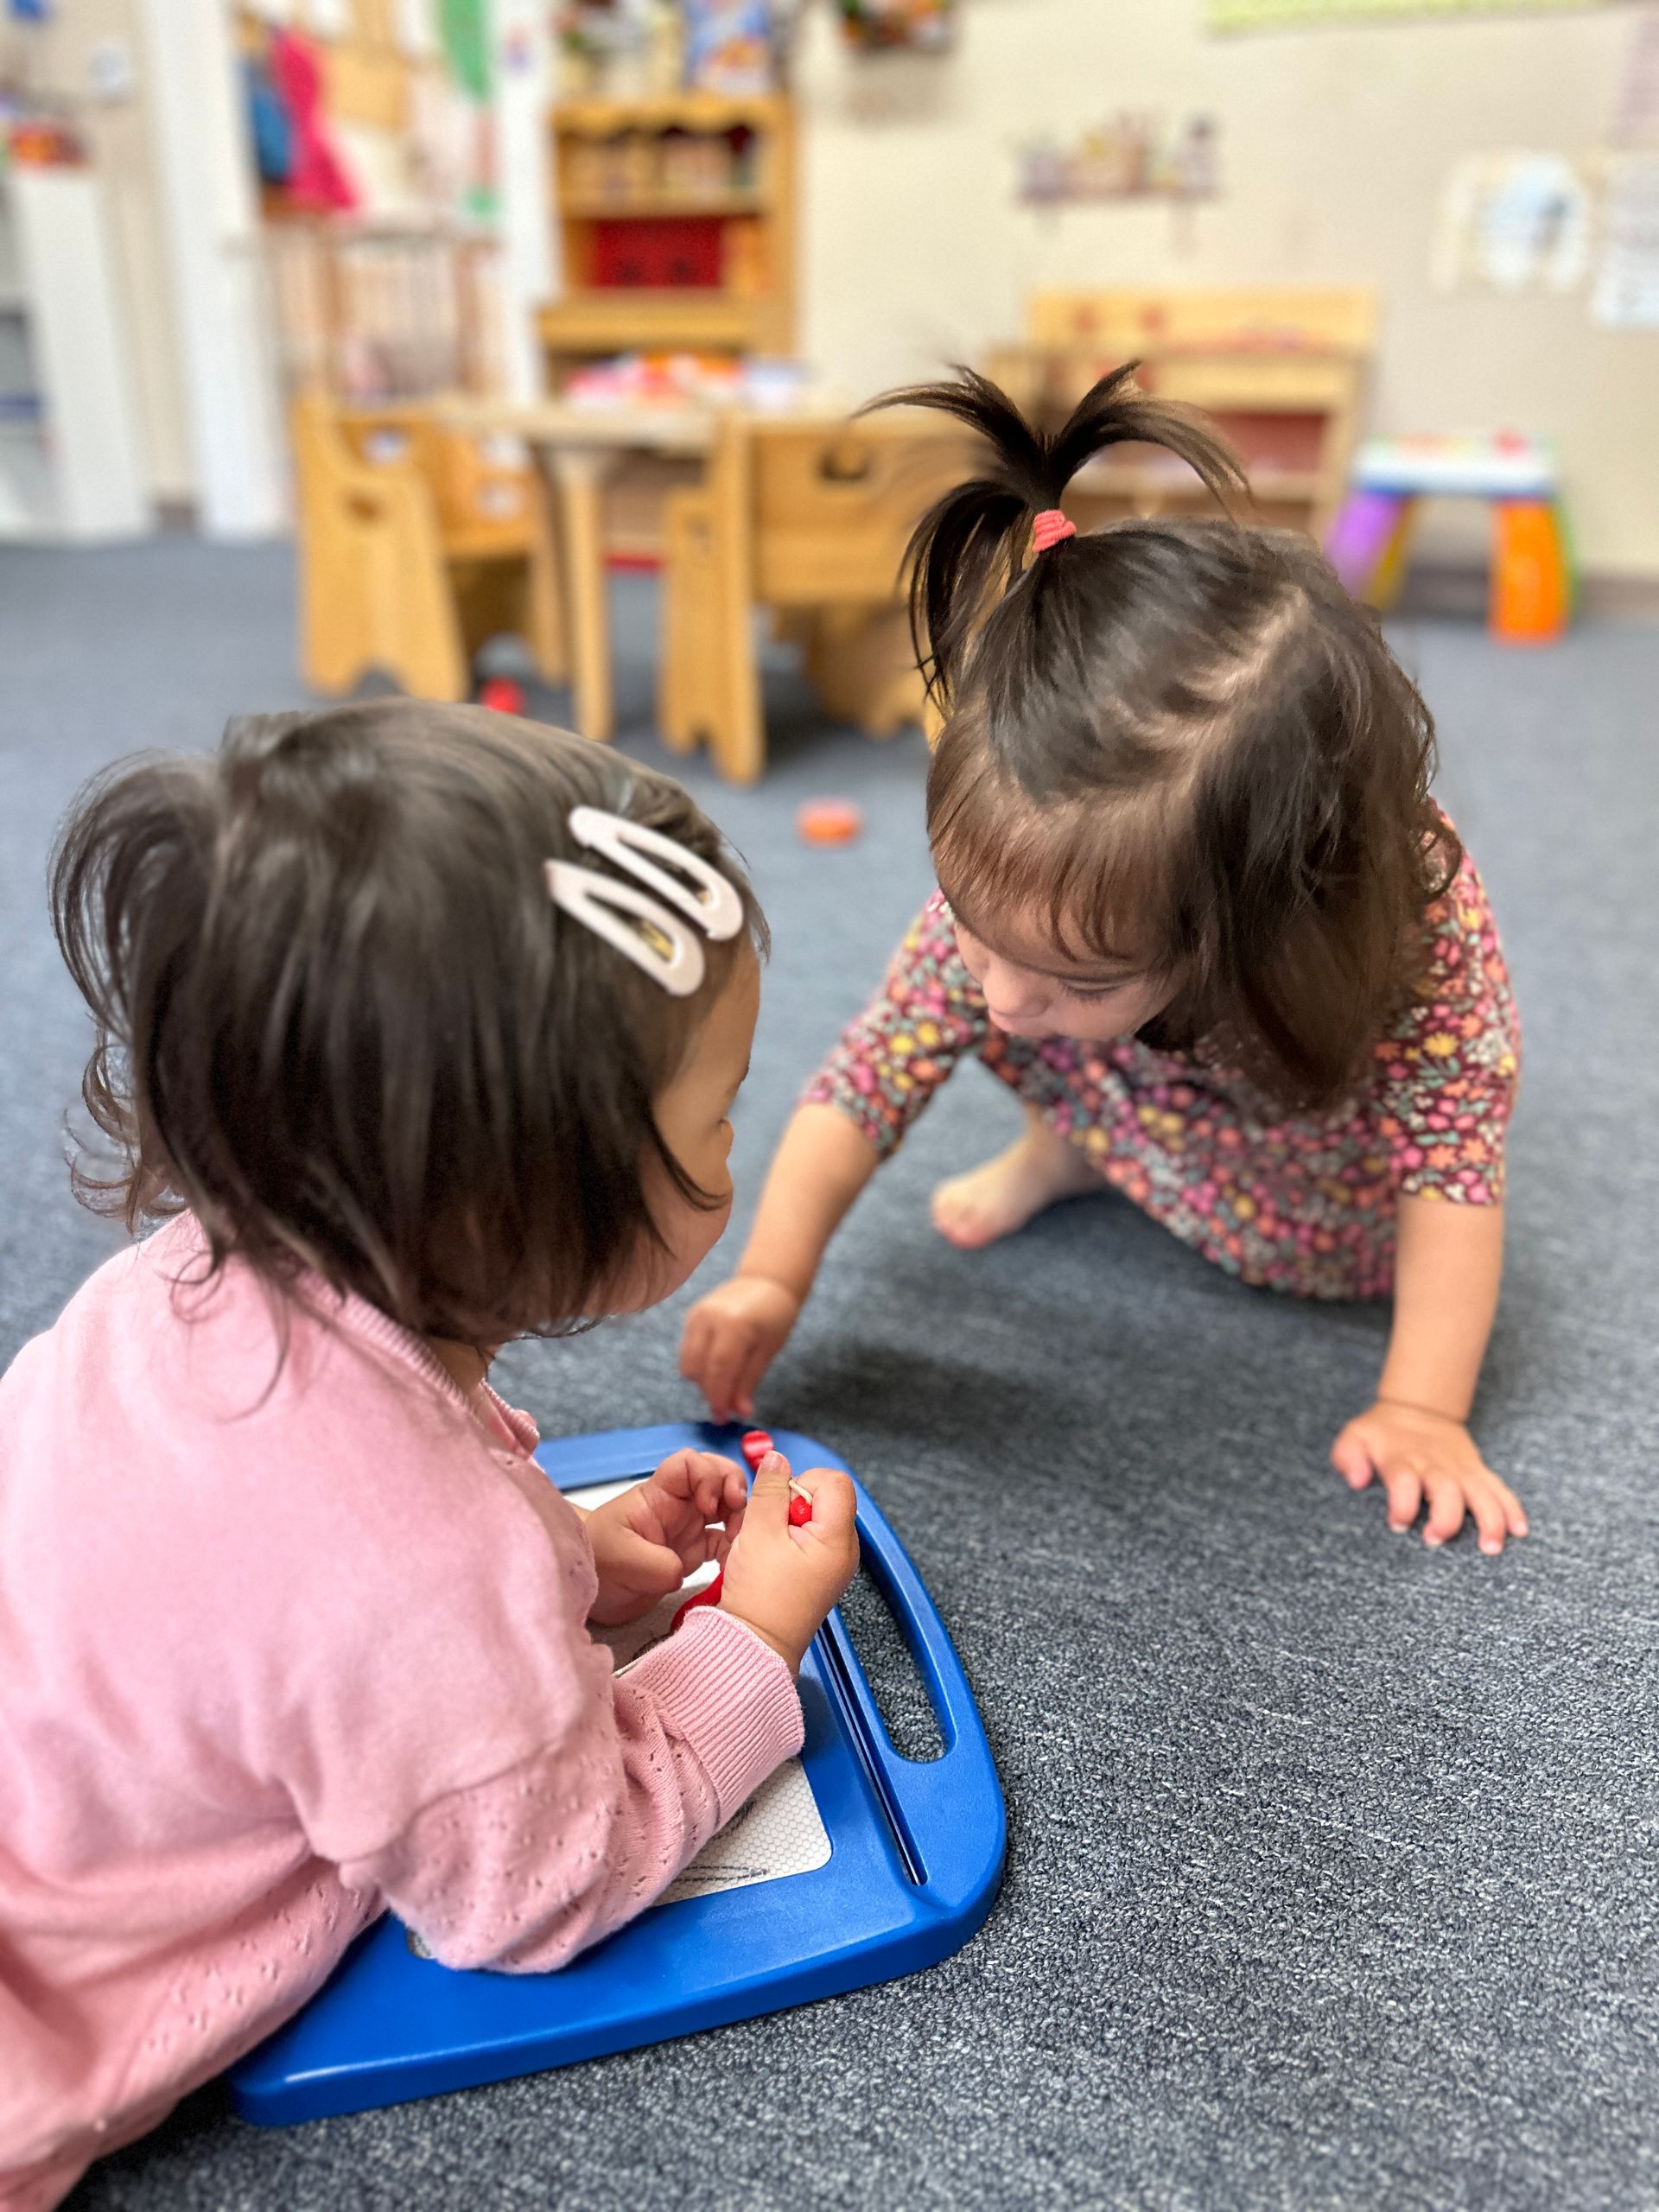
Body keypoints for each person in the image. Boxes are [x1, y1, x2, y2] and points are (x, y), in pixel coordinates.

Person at [0, 703, 858, 2208]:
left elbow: (254, 1580)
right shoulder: (411, 1575)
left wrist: (551, 1550)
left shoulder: (188, 1278)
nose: (744, 1140)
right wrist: (750, 1640)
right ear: (505, 1204)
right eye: (717, 1117)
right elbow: (534, 1885)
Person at [683, 368, 1524, 1557]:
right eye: (975, 917)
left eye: (1076, 973)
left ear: (1265, 924)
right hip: (1144, 1077)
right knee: (987, 1016)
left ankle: (1101, 1130)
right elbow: (867, 1079)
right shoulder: (1034, 911)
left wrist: (1422, 1407)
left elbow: (1451, 1167)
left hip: (1313, 1174)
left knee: (1315, 1246)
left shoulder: (1398, 931)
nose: (1006, 995)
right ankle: (1075, 1150)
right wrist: (771, 1278)